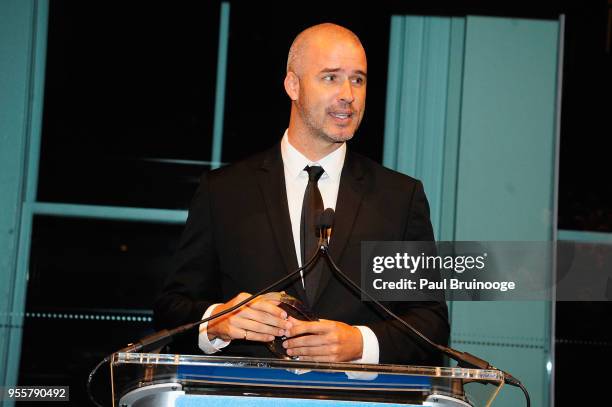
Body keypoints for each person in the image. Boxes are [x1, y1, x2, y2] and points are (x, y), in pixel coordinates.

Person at [154, 23, 449, 365]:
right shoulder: (224, 191)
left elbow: (431, 324)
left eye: (358, 79)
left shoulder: (399, 198)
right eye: (330, 77)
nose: (348, 95)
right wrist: (219, 321)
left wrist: (360, 343)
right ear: (293, 84)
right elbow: (171, 311)